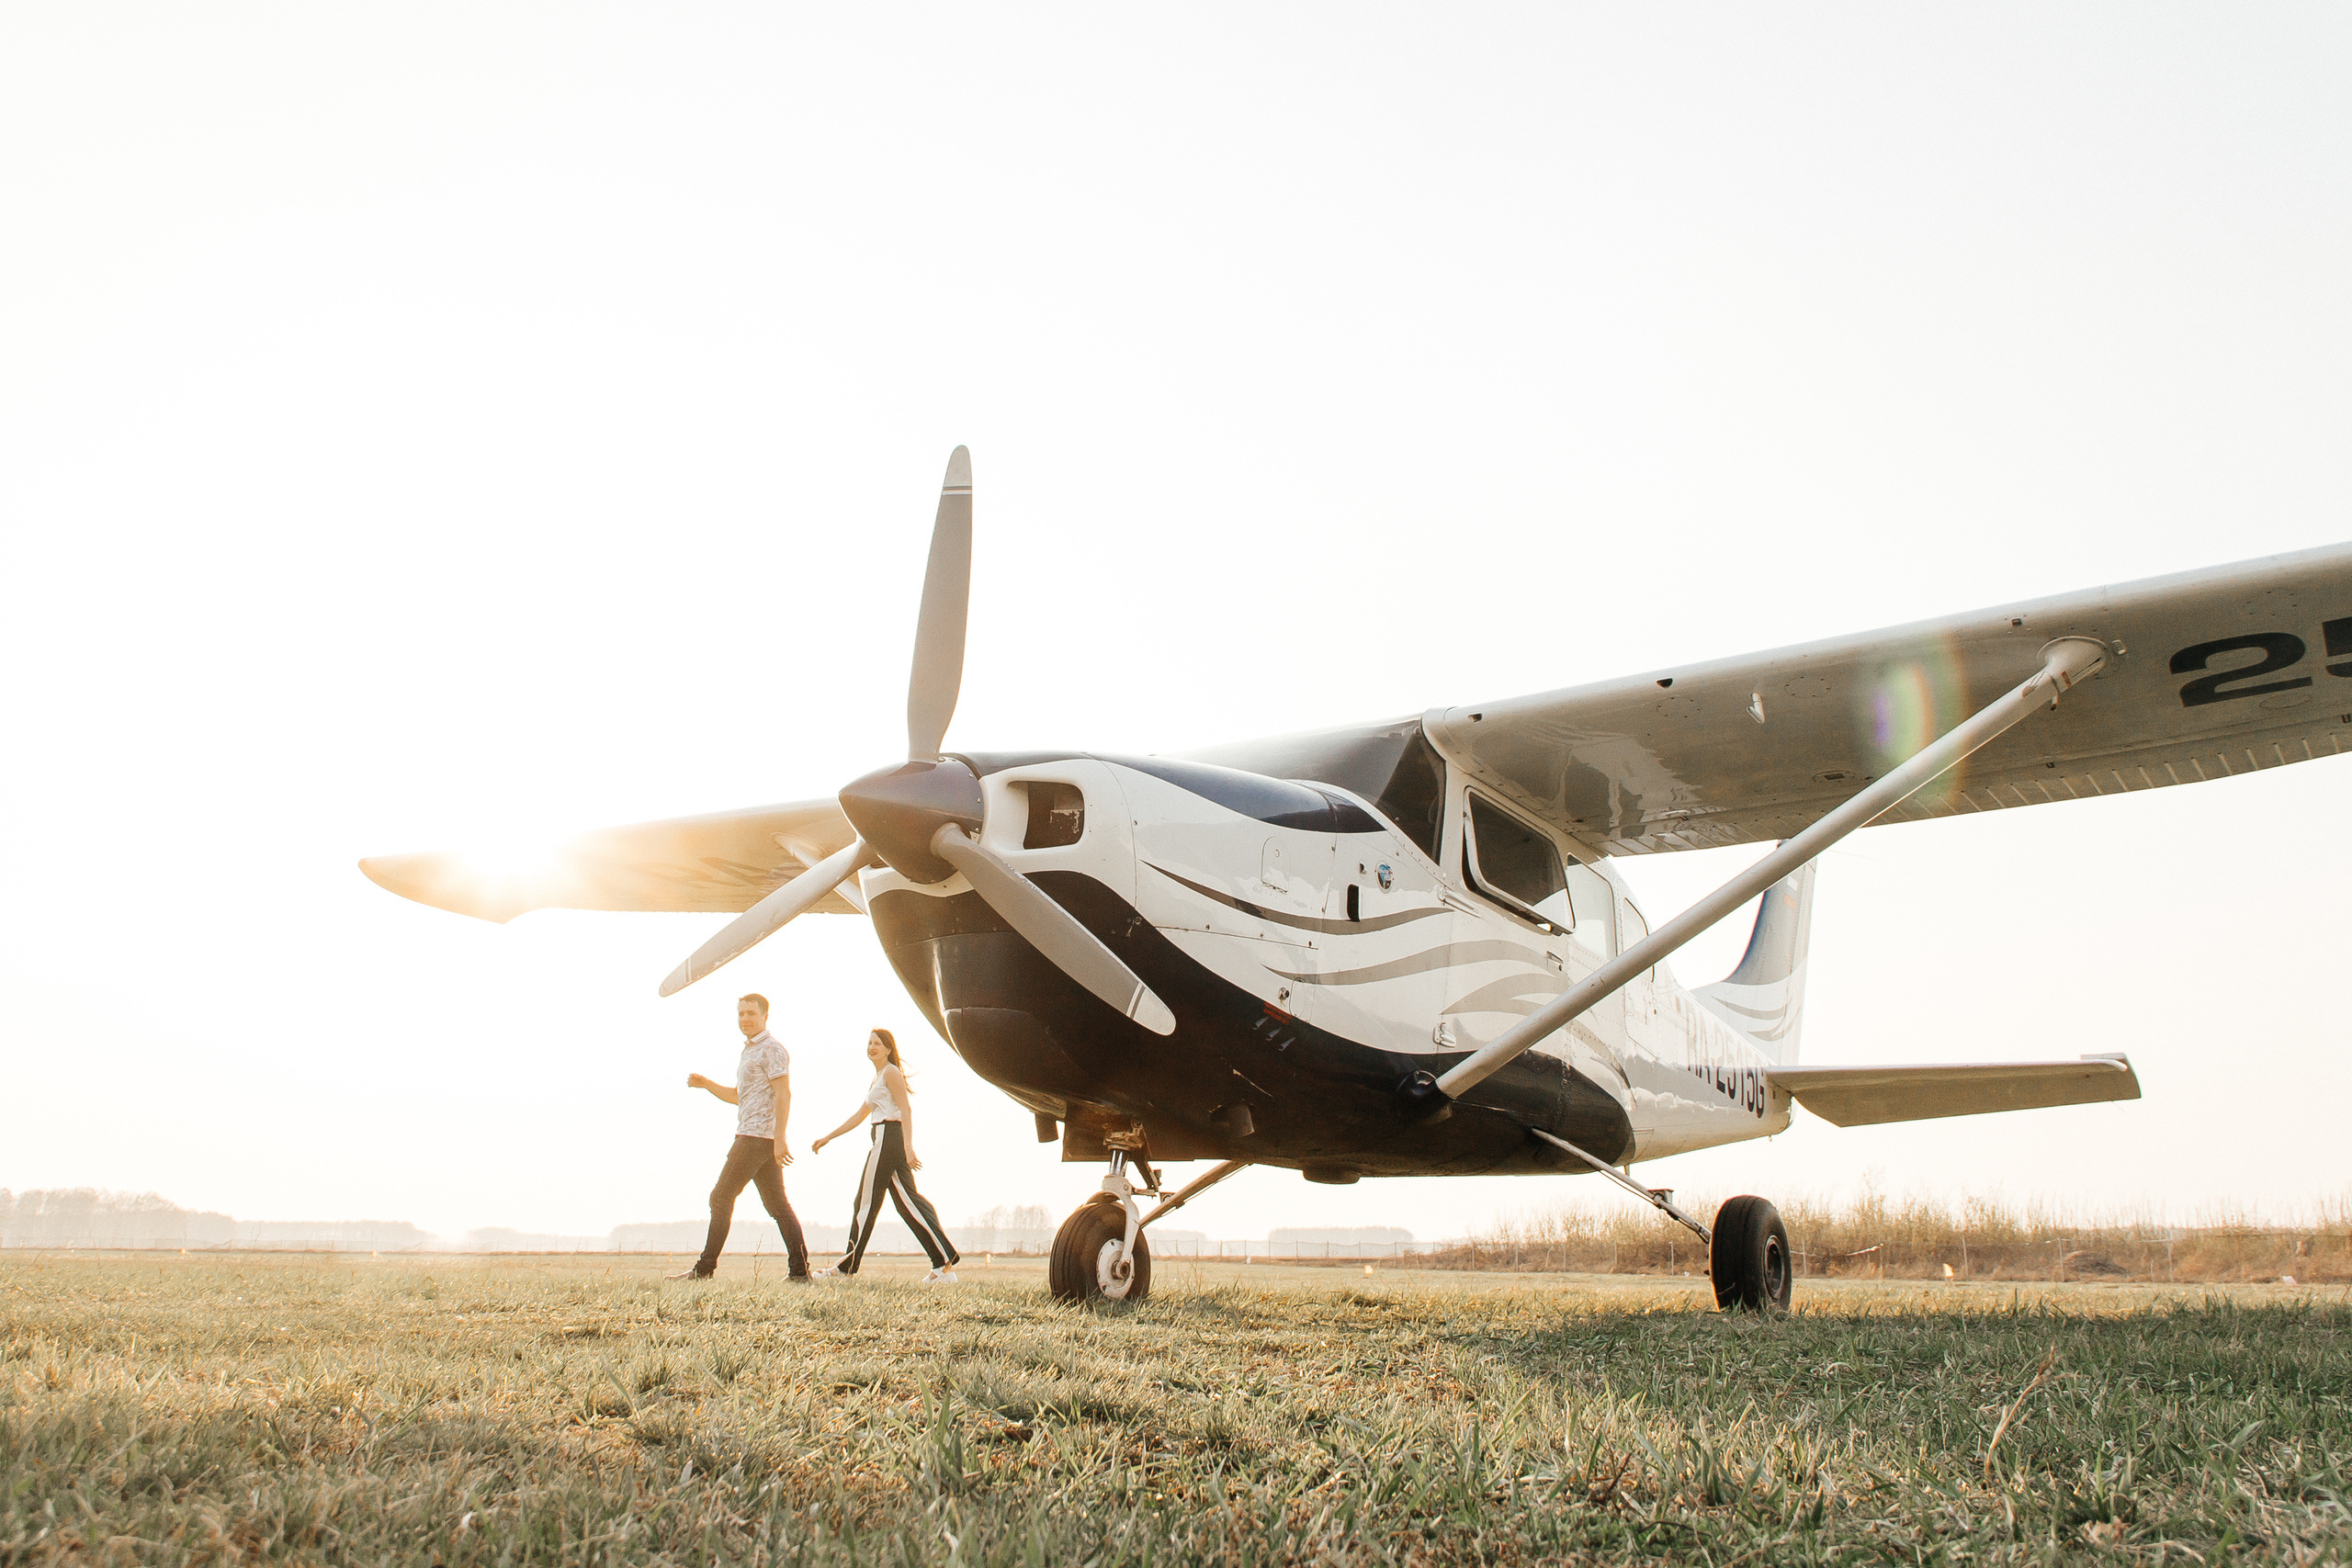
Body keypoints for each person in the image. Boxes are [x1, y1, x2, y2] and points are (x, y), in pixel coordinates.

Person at [671, 994, 809, 1280]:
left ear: (765, 1016)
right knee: (778, 1206)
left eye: (751, 1013)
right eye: (741, 1014)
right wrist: (706, 1084)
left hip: (755, 1138)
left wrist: (780, 1137)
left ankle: (704, 1270)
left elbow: (784, 1093)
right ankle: (799, 1273)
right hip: (754, 1134)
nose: (745, 1018)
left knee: (720, 1197)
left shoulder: (772, 1049)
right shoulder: (749, 1051)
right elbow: (739, 1097)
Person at [809, 1029, 960, 1282]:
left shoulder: (890, 1072)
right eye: (869, 1043)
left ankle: (845, 1269)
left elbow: (905, 1110)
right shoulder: (878, 1077)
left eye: (877, 1043)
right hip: (883, 1137)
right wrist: (828, 1137)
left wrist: (908, 1147)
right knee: (907, 1202)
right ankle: (942, 1264)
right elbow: (859, 1116)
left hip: (888, 1139)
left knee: (865, 1204)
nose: (872, 1047)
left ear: (888, 1049)